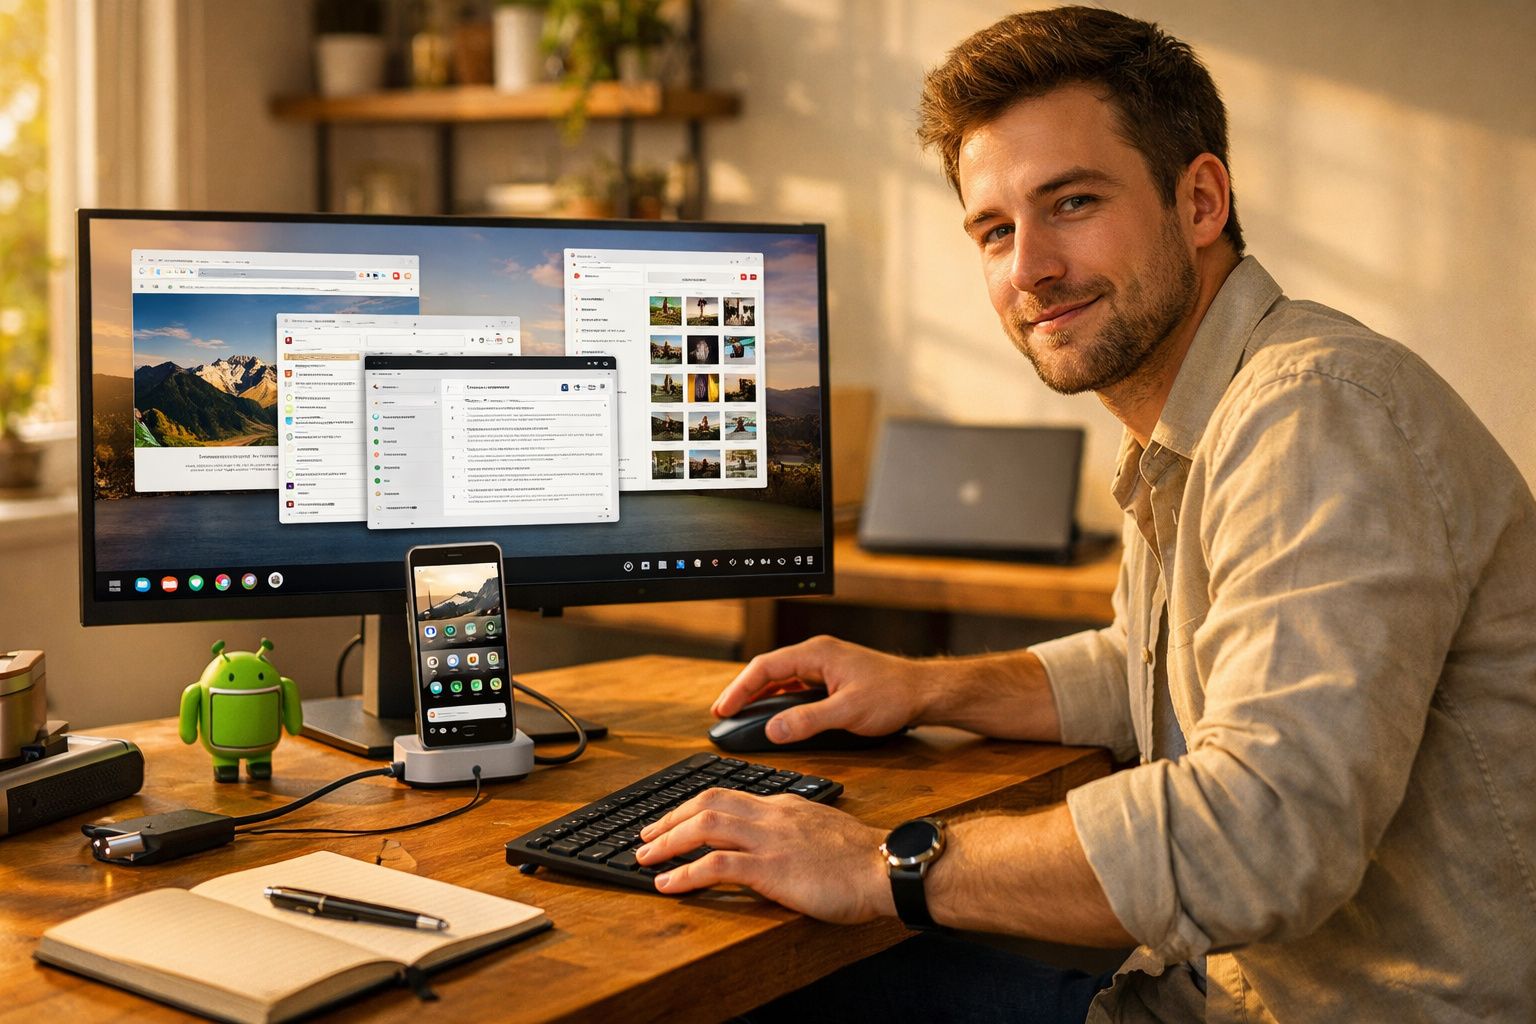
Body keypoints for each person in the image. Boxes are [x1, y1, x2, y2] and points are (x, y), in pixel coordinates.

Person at [633, 6, 1536, 1022]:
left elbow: (1265, 833)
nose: (1029, 269)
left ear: (1200, 200)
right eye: (995, 230)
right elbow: (1146, 666)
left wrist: (879, 862)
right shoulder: (1190, 416)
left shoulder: (1314, 413)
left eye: (1071, 202)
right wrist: (924, 687)